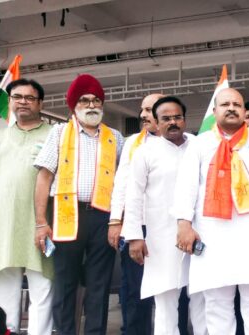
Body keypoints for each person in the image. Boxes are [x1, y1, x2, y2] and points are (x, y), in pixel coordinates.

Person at [174, 88, 249, 334]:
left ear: (243, 111)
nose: (232, 108)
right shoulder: (199, 145)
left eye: (237, 105)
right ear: (215, 110)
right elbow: (185, 187)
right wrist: (184, 224)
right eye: (225, 104)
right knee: (217, 305)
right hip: (213, 236)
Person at [34, 74, 125, 334]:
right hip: (65, 216)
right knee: (65, 283)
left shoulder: (114, 137)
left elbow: (125, 180)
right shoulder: (59, 132)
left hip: (103, 218)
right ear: (73, 105)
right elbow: (44, 177)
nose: (91, 105)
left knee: (99, 284)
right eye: (84, 100)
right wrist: (41, 222)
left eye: (96, 100)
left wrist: (119, 220)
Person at [124, 96, 205, 335]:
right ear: (156, 123)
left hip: (200, 232)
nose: (172, 123)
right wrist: (135, 236)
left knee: (202, 297)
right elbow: (133, 195)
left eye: (177, 117)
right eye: (166, 119)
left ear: (185, 120)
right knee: (166, 300)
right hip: (161, 237)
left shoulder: (198, 145)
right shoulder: (145, 153)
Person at [0, 79, 53, 334]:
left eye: (29, 98)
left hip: (41, 225)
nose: (22, 101)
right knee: (4, 291)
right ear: (9, 102)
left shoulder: (55, 135)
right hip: (5, 226)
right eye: (17, 96)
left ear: (40, 103)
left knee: (42, 289)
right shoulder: (1, 136)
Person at [109, 93, 163, 335]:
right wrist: (115, 221)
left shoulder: (184, 142)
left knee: (171, 292)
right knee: (134, 291)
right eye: (142, 109)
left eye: (149, 109)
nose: (143, 115)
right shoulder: (132, 143)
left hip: (169, 228)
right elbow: (121, 184)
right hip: (137, 228)